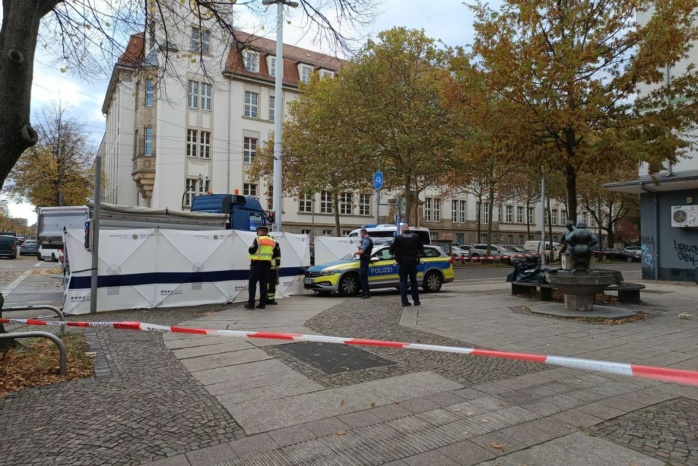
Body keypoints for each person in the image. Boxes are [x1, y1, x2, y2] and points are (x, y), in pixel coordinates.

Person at [389, 223, 425, 307]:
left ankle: (404, 301)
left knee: (403, 281)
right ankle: (416, 301)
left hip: (402, 262)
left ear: (402, 229)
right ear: (408, 228)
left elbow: (391, 250)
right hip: (413, 261)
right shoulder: (415, 237)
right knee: (413, 281)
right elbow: (421, 249)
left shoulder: (398, 238)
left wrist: (396, 252)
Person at [244, 225, 275, 310]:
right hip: (266, 266)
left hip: (256, 265)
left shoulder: (258, 239)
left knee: (252, 284)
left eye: (258, 232)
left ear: (260, 232)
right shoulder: (272, 241)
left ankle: (251, 304)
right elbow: (274, 253)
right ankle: (262, 304)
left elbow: (251, 250)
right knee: (263, 285)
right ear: (267, 232)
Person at [353, 228, 373, 299]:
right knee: (363, 277)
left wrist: (356, 253)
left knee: (362, 276)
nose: (360, 235)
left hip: (364, 259)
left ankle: (367, 293)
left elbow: (362, 251)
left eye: (361, 234)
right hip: (365, 259)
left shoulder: (366, 240)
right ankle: (364, 292)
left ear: (363, 233)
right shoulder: (368, 240)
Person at [267, 240, 281, 305]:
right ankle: (266, 298)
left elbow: (278, 255)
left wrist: (277, 264)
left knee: (272, 284)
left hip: (272, 268)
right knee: (266, 284)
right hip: (266, 268)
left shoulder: (275, 244)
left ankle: (271, 299)